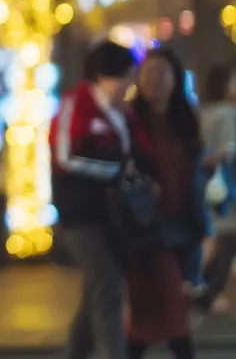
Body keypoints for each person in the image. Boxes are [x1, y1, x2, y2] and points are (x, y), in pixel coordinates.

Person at [124, 48, 215, 359]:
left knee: (149, 311)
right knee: (169, 304)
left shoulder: (185, 119)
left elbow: (192, 166)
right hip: (144, 228)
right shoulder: (129, 120)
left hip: (181, 226)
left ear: (176, 79)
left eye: (162, 73)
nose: (154, 80)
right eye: (148, 73)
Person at [50, 39, 136, 359]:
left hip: (110, 214)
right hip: (80, 215)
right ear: (104, 75)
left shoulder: (118, 111)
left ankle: (78, 353)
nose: (129, 84)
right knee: (108, 287)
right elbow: (65, 157)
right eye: (125, 76)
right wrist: (115, 171)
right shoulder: (77, 104)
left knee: (97, 291)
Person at [198, 64, 236, 313]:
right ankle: (206, 292)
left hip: (207, 185)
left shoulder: (205, 111)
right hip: (225, 188)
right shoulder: (226, 113)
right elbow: (228, 150)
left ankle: (202, 290)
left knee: (217, 239)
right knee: (226, 239)